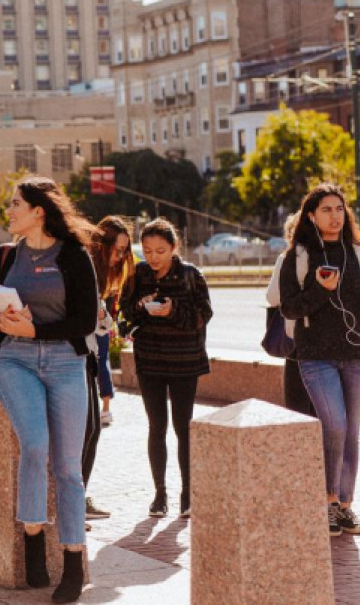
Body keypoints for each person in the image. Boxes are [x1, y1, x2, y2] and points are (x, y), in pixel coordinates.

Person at [0, 177, 97, 603]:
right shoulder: (5, 256)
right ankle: (32, 537)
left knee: (68, 468)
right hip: (17, 362)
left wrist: (37, 327)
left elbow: (85, 321)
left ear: (38, 211)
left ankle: (72, 561)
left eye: (15, 205)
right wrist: (7, 322)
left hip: (66, 363)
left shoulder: (75, 256)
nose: (8, 212)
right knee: (35, 444)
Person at [279, 183, 360, 537]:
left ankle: (345, 506)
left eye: (339, 209)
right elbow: (288, 306)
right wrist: (321, 290)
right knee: (333, 425)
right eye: (326, 210)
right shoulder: (299, 257)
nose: (334, 216)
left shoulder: (358, 252)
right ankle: (328, 500)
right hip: (315, 355)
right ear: (311, 217)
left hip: (357, 354)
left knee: (351, 430)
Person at [120, 218, 212, 519]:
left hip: (185, 361)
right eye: (147, 250)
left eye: (160, 250)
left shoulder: (191, 275)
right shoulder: (138, 275)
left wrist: (173, 310)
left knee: (183, 427)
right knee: (156, 427)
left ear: (174, 247)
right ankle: (160, 494)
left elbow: (203, 315)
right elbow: (124, 314)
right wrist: (140, 307)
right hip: (150, 361)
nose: (153, 257)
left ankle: (189, 494)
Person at [81, 216, 135, 522]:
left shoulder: (103, 278)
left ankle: (77, 499)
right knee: (87, 431)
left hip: (86, 356)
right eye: (117, 250)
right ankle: (73, 503)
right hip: (75, 360)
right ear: (102, 247)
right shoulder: (87, 269)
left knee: (91, 430)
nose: (120, 257)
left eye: (124, 251)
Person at [266, 212, 316, 417]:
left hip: (297, 338)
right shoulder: (333, 253)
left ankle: (303, 447)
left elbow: (272, 296)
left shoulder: (288, 257)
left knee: (297, 406)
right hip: (331, 340)